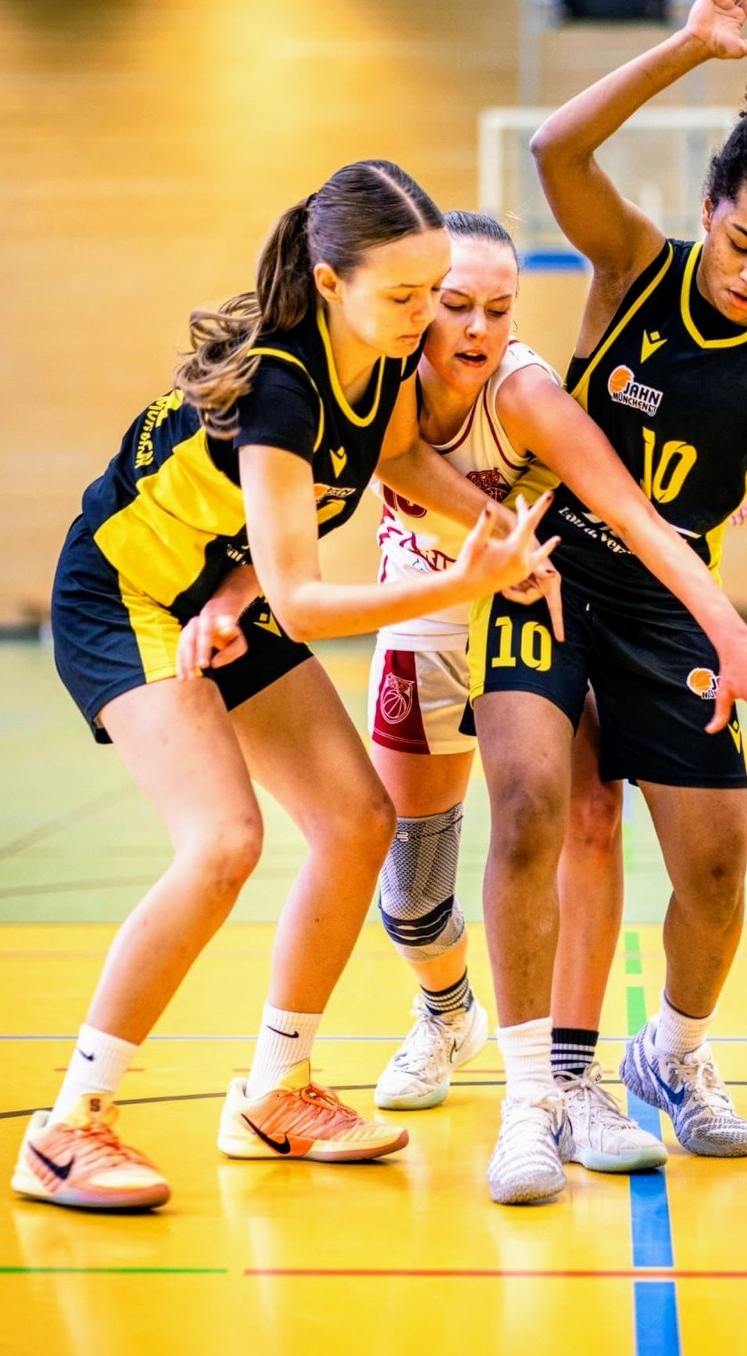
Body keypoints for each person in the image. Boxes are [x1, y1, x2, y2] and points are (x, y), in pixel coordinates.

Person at [11, 160, 558, 1214]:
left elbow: (398, 464)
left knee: (358, 821)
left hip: (218, 588)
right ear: (331, 283)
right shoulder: (279, 387)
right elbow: (304, 602)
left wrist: (501, 530)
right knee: (224, 842)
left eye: (433, 292)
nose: (426, 319)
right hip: (125, 591)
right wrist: (464, 578)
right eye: (406, 296)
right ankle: (69, 1124)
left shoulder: (383, 362)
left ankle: (277, 1089)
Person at [471, 0, 747, 1205]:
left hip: (677, 609)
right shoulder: (635, 265)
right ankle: (539, 1094)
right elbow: (555, 149)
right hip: (551, 568)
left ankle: (671, 1053)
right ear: (708, 207)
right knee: (543, 808)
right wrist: (687, 47)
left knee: (717, 869)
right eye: (740, 241)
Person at [367, 209, 666, 1174]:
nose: (479, 329)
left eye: (499, 310)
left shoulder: (524, 390)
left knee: (575, 815)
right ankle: (447, 1011)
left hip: (522, 612)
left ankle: (561, 1077)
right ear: (421, 302)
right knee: (412, 895)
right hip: (419, 614)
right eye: (458, 305)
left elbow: (619, 478)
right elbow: (338, 472)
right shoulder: (379, 378)